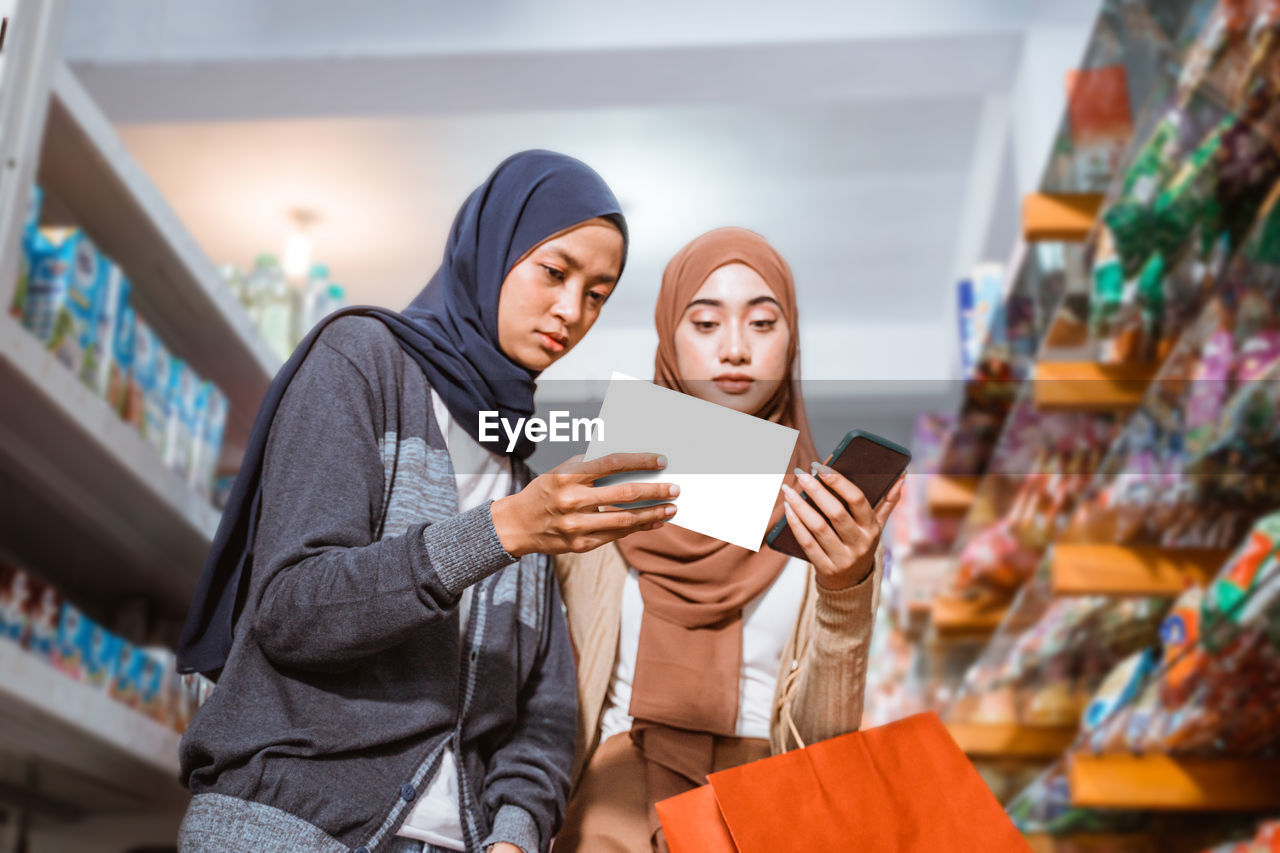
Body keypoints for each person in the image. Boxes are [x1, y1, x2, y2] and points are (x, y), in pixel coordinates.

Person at [174, 151, 679, 853]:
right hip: (290, 827)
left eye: (597, 293)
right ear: (493, 247)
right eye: (555, 272)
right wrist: (498, 532)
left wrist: (513, 835)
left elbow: (545, 708)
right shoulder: (362, 360)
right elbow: (292, 607)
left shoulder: (516, 467)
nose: (572, 311)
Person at [554, 227, 903, 853]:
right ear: (669, 334)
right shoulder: (605, 489)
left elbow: (822, 744)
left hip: (759, 815)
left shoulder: (823, 514)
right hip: (609, 809)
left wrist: (845, 587)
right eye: (706, 323)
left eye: (763, 324)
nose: (735, 349)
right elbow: (542, 693)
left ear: (791, 340)